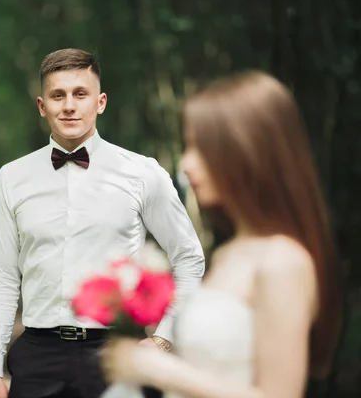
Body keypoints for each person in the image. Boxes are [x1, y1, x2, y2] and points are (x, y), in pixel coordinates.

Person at [0, 48, 206, 398]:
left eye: (80, 94)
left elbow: (189, 258)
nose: (69, 105)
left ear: (100, 102)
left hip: (117, 352)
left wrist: (163, 338)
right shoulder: (11, 179)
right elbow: (1, 278)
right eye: (58, 95)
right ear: (42, 106)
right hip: (38, 357)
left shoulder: (143, 173)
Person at [101, 71, 343, 398]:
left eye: (202, 149)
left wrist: (162, 371)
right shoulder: (229, 252)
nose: (186, 164)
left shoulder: (283, 261)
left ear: (247, 151)